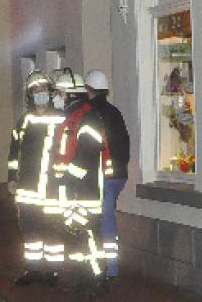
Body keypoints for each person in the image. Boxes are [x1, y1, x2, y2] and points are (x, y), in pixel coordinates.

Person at [51, 69, 108, 295]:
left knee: (90, 236)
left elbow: (88, 153)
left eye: (58, 92)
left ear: (69, 94)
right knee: (74, 236)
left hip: (85, 191)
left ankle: (97, 279)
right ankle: (81, 277)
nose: (56, 96)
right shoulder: (69, 118)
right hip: (71, 191)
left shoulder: (88, 117)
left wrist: (69, 178)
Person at [7, 71, 65, 286]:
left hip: (52, 189)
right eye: (35, 91)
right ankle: (33, 270)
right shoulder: (24, 121)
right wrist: (12, 178)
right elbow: (14, 154)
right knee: (30, 233)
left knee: (53, 232)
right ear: (30, 95)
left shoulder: (62, 119)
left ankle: (53, 273)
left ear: (50, 93)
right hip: (27, 190)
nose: (40, 94)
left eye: (43, 90)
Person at [84, 69, 129, 282]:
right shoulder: (115, 112)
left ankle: (109, 267)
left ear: (89, 90)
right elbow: (124, 145)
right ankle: (108, 265)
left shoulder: (88, 113)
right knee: (106, 215)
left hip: (102, 175)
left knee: (103, 219)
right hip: (118, 175)